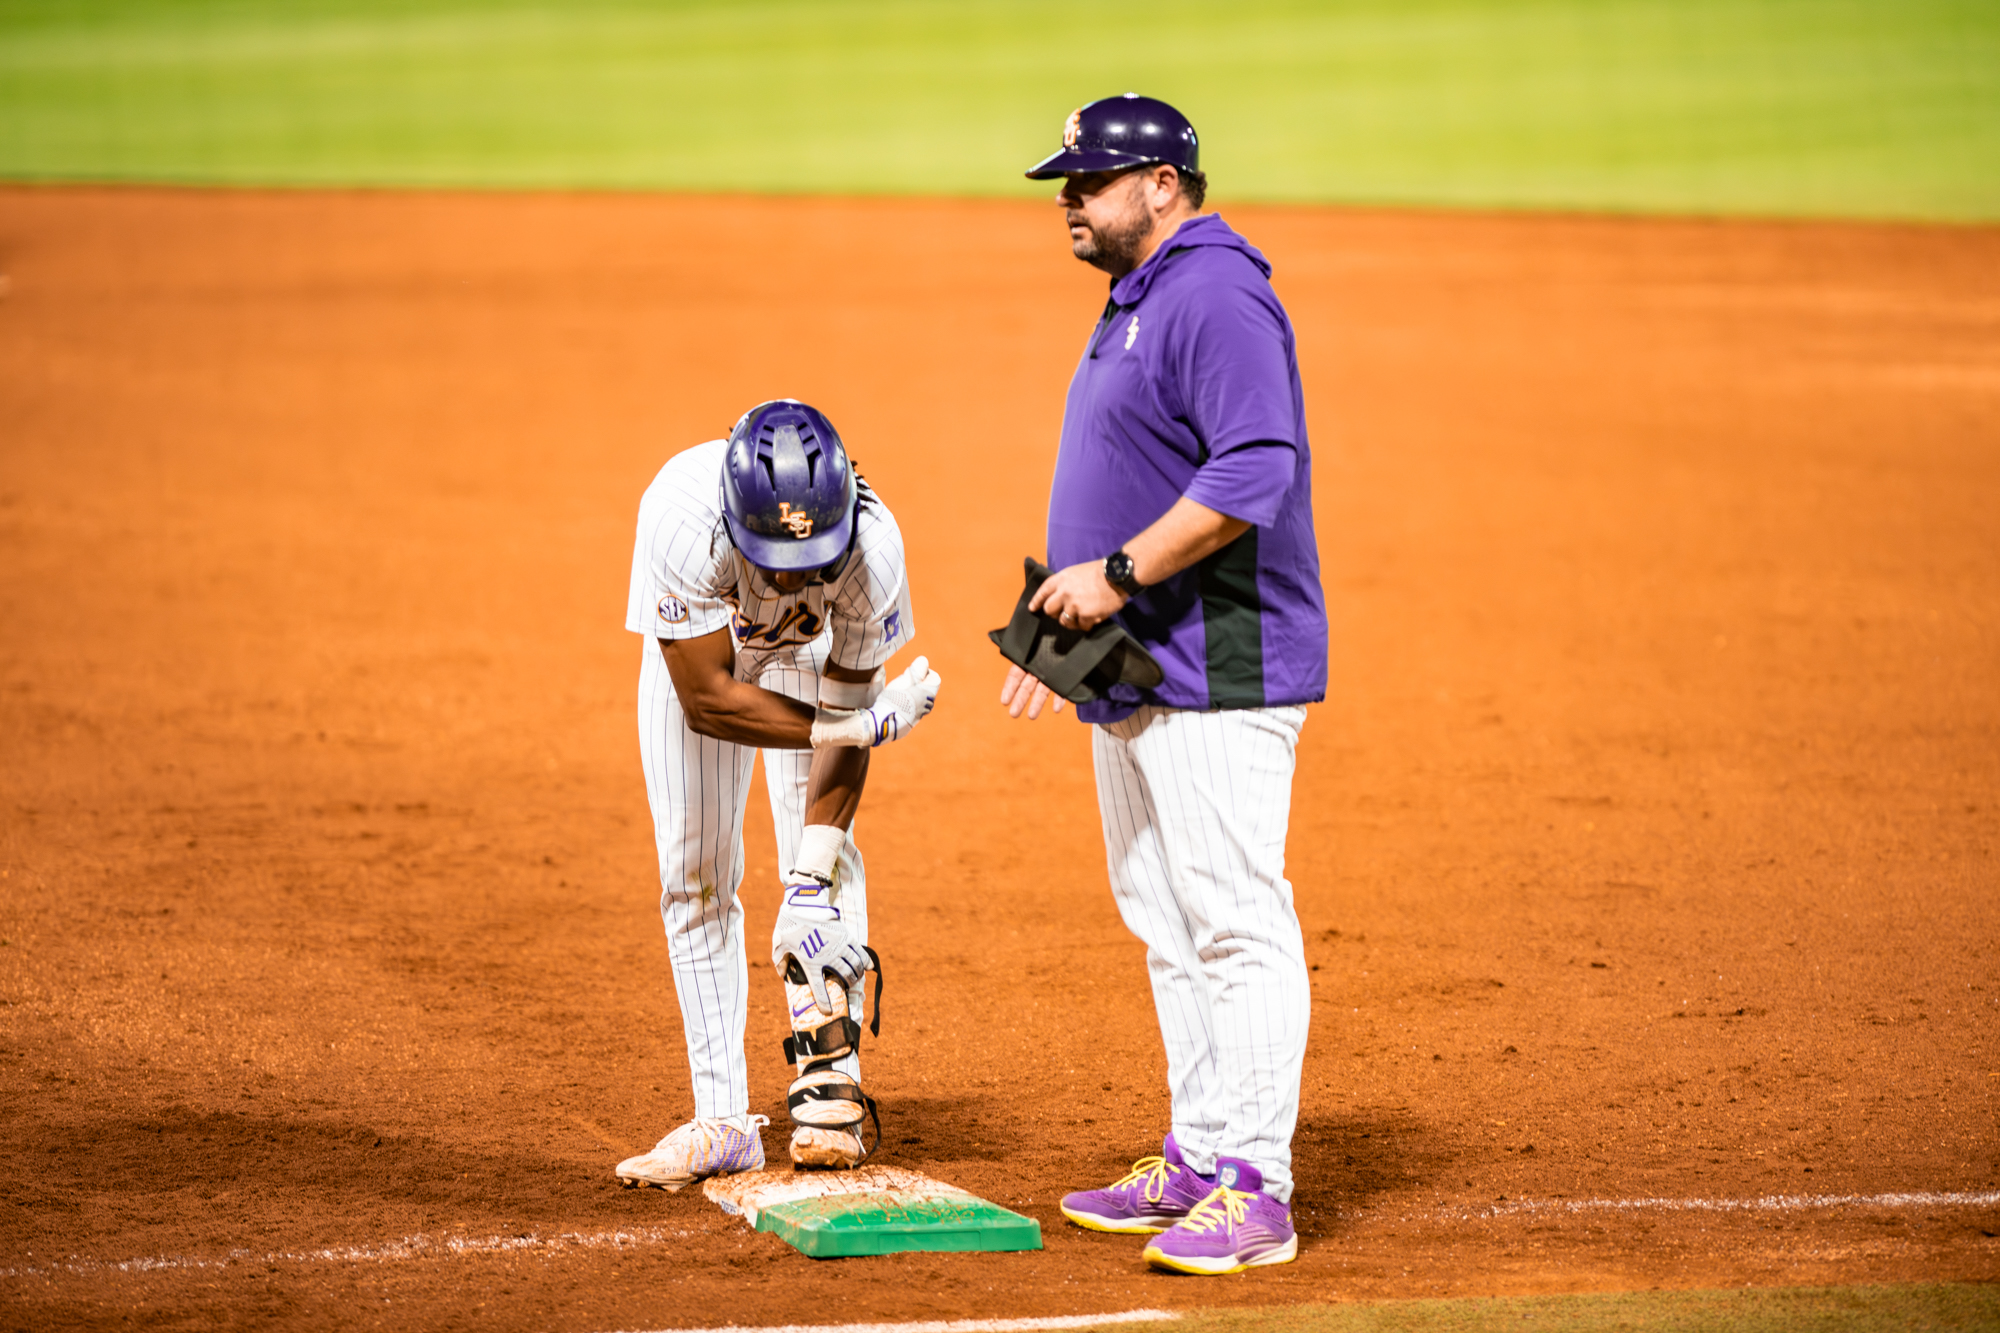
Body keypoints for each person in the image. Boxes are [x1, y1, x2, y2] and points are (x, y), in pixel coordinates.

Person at [1002, 94, 1328, 1275]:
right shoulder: (1140, 292)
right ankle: (1197, 1152)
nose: (1067, 201)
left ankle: (1257, 1184)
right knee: (1162, 913)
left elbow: (1255, 466)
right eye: (1066, 183)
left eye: (1087, 182)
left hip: (1218, 658)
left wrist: (1119, 572)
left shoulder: (1213, 290)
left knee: (1233, 915)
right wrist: (1074, 619)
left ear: (1161, 185)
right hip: (1138, 657)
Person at [617, 398, 941, 1189]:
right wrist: (855, 730)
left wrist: (808, 874)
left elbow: (849, 703)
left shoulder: (873, 552)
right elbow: (708, 698)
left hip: (812, 655)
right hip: (712, 654)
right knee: (692, 875)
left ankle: (830, 1084)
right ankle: (724, 1118)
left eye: (813, 559)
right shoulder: (681, 517)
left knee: (824, 870)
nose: (796, 575)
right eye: (778, 557)